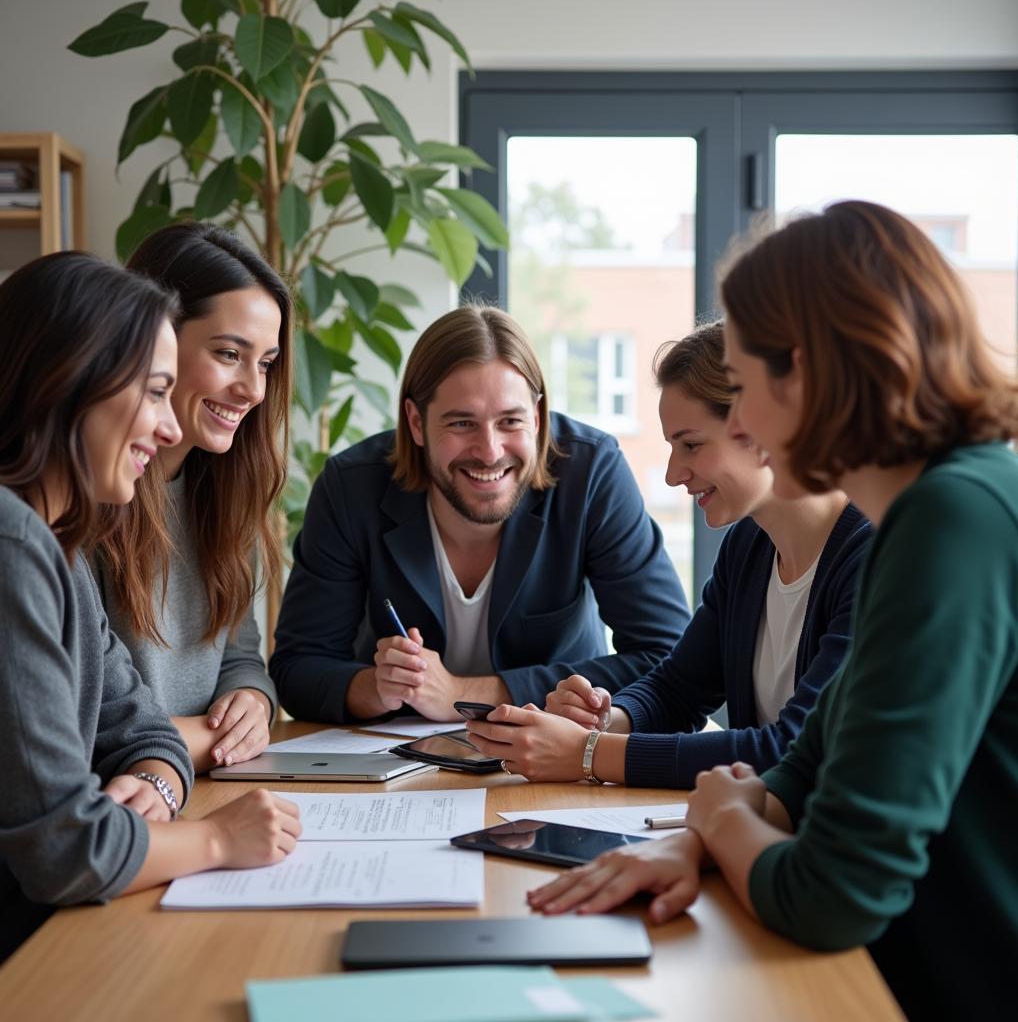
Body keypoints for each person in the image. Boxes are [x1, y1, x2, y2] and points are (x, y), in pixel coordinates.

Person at [526, 201, 1018, 1020]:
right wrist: (691, 838)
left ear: (813, 372)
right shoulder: (933, 511)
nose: (747, 424)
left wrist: (721, 825)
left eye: (749, 389)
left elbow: (835, 894)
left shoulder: (951, 522)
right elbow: (812, 760)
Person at [0, 252, 300, 963]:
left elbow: (142, 730)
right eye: (154, 392)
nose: (170, 432)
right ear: (71, 384)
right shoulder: (15, 546)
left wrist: (161, 779)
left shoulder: (57, 544)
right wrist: (220, 838)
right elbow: (65, 849)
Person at [464, 322, 870, 786]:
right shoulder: (749, 547)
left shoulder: (875, 559)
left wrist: (587, 754)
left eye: (691, 444)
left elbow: (791, 748)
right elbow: (677, 690)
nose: (674, 474)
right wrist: (605, 719)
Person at [270, 304, 689, 723]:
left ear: (538, 418)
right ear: (416, 423)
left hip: (553, 751)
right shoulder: (352, 486)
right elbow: (298, 667)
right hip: (398, 762)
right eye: (461, 424)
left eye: (510, 421)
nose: (490, 451)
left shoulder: (591, 473)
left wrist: (464, 694)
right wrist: (374, 689)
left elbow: (670, 658)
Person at [92, 223, 292, 772]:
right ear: (151, 340)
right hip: (133, 797)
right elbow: (87, 732)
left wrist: (252, 700)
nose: (254, 389)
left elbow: (240, 655)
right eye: (230, 353)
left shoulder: (225, 490)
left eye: (267, 363)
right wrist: (207, 744)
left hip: (195, 782)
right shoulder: (83, 500)